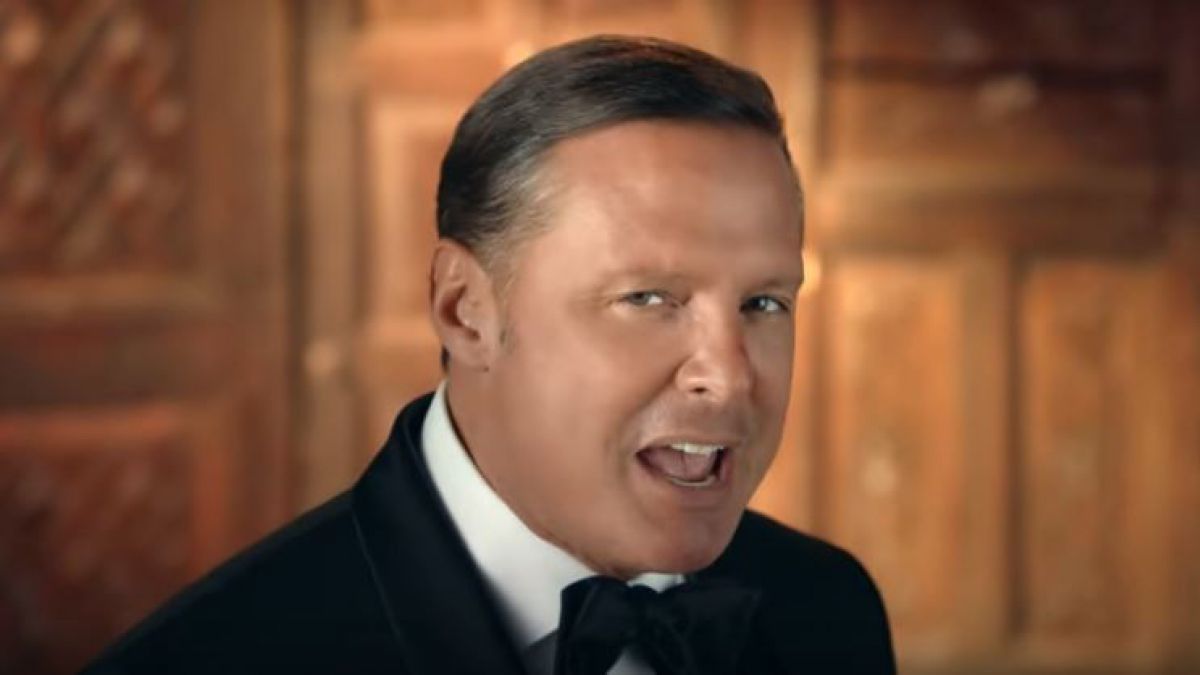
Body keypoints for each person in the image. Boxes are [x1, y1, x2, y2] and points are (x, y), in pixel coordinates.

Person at [84, 35, 894, 675]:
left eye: (764, 303)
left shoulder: (830, 608)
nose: (730, 375)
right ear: (464, 310)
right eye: (649, 298)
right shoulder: (213, 657)